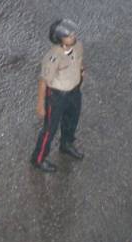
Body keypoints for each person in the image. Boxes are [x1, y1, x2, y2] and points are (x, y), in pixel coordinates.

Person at [29, 18, 85, 173]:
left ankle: (66, 144)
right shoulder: (53, 57)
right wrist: (40, 104)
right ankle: (38, 158)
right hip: (57, 95)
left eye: (73, 33)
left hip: (74, 91)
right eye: (69, 35)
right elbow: (43, 81)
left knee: (72, 119)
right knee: (50, 129)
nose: (73, 36)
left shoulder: (78, 46)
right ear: (60, 39)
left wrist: (81, 73)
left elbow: (79, 62)